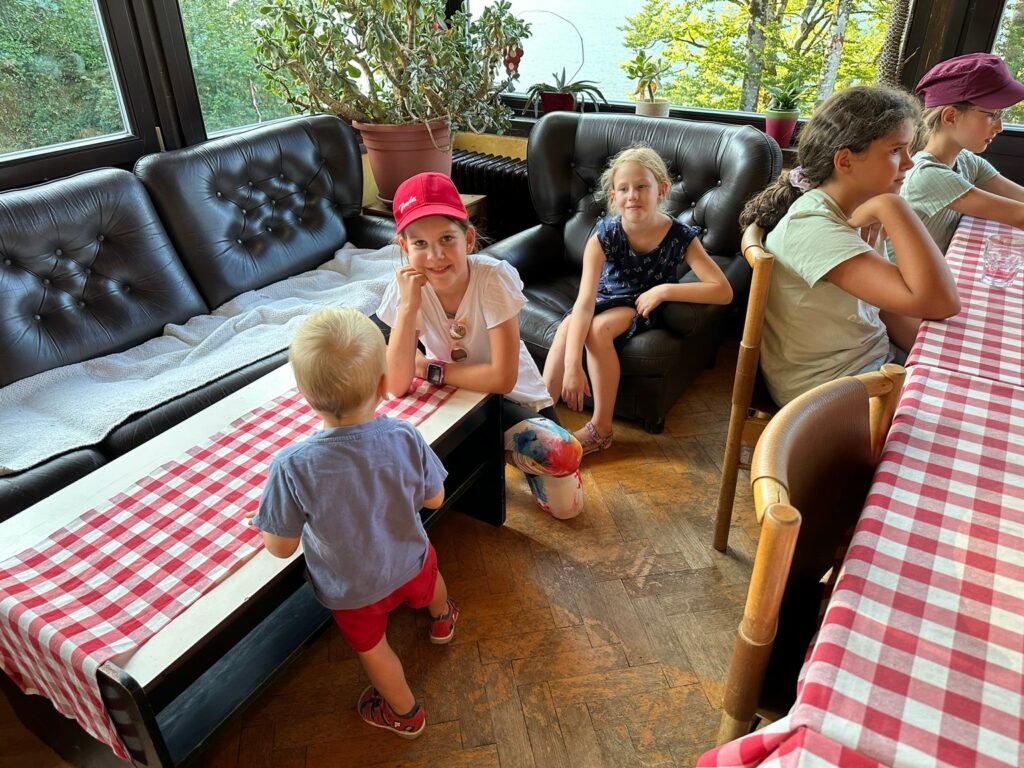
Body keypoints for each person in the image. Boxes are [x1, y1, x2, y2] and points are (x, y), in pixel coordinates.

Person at [250, 307, 455, 740]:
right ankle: (442, 618)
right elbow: (435, 499)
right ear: (383, 384)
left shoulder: (292, 466)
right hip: (413, 562)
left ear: (304, 394)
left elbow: (280, 548)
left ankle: (405, 713)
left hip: (353, 591)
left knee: (375, 650)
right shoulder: (405, 435)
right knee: (431, 577)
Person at [378, 172, 584, 519]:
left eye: (447, 239)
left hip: (515, 398)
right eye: (420, 244)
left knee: (566, 487)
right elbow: (396, 385)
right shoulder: (404, 290)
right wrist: (409, 306)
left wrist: (428, 368)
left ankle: (503, 453)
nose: (435, 255)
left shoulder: (492, 278)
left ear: (469, 239)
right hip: (460, 399)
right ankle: (491, 453)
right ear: (404, 248)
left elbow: (502, 379)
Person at [740, 86, 961, 407]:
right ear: (845, 161)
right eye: (896, 150)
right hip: (827, 393)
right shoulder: (815, 228)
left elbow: (887, 306)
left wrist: (940, 357)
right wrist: (893, 207)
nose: (909, 163)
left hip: (869, 361)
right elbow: (940, 302)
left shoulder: (853, 210)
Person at [542, 145, 733, 453]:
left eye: (642, 186)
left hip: (641, 304)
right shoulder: (603, 236)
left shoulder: (680, 236)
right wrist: (572, 366)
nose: (633, 195)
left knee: (597, 330)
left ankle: (601, 429)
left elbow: (722, 290)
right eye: (624, 189)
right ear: (614, 196)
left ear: (662, 189)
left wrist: (664, 290)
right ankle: (539, 420)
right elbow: (585, 303)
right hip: (606, 297)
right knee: (568, 327)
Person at [897, 53, 1024, 254]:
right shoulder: (927, 175)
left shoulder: (966, 161)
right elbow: (1020, 216)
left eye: (1001, 114)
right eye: (992, 115)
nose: (999, 127)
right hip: (906, 274)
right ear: (950, 116)